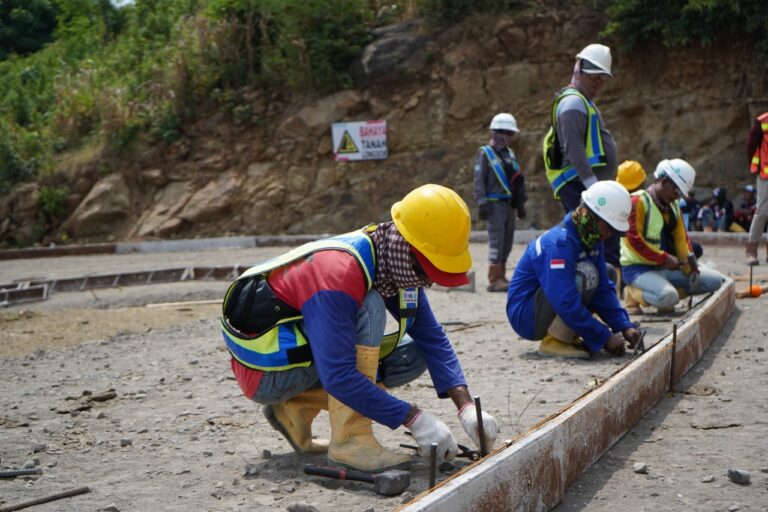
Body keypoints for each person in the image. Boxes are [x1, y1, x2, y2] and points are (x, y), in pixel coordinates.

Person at [220, 184, 499, 472]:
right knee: (371, 305)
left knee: (413, 354)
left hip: (304, 363)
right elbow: (338, 376)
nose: (427, 282)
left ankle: (293, 410)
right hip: (268, 376)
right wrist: (414, 418)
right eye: (425, 272)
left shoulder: (392, 259)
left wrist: (466, 408)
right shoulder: (339, 273)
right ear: (409, 249)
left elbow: (432, 338)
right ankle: (351, 443)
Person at [506, 180, 641, 359]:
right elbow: (564, 299)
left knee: (605, 272)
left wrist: (624, 325)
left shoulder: (590, 239)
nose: (609, 234)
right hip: (526, 317)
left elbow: (603, 289)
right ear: (591, 215)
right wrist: (603, 336)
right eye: (608, 227)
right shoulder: (559, 243)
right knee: (586, 273)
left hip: (546, 305)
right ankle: (554, 342)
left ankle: (569, 336)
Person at [543, 43, 620, 271]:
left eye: (602, 78)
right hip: (578, 185)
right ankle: (594, 287)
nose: (598, 82)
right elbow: (574, 149)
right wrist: (592, 187)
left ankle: (602, 287)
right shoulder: (573, 103)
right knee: (590, 238)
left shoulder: (582, 102)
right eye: (594, 76)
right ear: (579, 68)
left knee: (595, 239)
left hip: (582, 185)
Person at [621, 159, 723, 314]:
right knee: (669, 297)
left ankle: (665, 292)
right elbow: (633, 241)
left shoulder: (673, 206)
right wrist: (664, 259)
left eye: (680, 194)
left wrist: (692, 269)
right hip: (638, 270)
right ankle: (633, 294)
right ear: (664, 181)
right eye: (676, 191)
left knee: (714, 281)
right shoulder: (638, 201)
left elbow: (682, 240)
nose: (677, 197)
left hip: (663, 268)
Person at [474, 112, 527, 292]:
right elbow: (479, 179)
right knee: (496, 241)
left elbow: (517, 181)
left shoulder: (509, 154)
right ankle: (494, 278)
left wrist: (520, 205)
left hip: (508, 205)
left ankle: (502, 275)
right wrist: (481, 202)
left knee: (507, 241)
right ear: (498, 132)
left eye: (512, 134)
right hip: (494, 205)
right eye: (508, 133)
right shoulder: (486, 153)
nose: (510, 138)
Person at [746, 112, 768, 265]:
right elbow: (751, 146)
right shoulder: (762, 121)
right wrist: (755, 167)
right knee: (762, 212)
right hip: (765, 175)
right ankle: (751, 250)